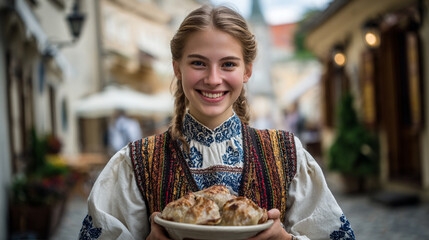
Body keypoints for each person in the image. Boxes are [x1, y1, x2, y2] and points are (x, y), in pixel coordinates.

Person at [78, 5, 355, 240]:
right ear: (178, 68)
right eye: (198, 63)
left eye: (228, 64)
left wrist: (287, 239)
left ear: (247, 70)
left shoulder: (286, 153)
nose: (213, 78)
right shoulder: (137, 162)